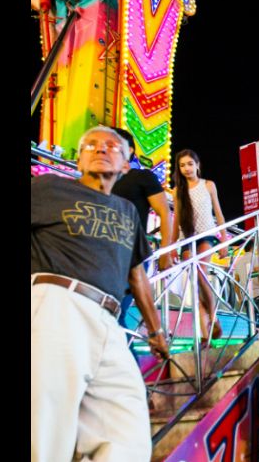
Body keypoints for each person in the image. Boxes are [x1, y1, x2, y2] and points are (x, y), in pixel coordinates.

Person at [32, 126, 170, 462]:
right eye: (90, 145)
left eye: (112, 146)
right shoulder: (48, 188)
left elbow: (137, 276)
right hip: (57, 301)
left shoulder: (127, 211)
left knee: (128, 432)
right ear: (78, 159)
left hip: (109, 319)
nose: (100, 149)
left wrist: (156, 330)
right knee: (47, 429)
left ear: (126, 164)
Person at [111, 127, 176, 338]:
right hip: (101, 252)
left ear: (129, 150)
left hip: (132, 253)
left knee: (115, 312)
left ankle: (129, 366)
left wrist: (166, 251)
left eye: (115, 144)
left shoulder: (142, 177)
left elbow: (165, 213)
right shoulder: (100, 182)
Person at [171, 149, 228, 343]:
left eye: (189, 164)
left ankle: (212, 317)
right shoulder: (178, 190)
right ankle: (206, 331)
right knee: (195, 283)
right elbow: (176, 220)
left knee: (201, 276)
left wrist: (224, 240)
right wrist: (171, 247)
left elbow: (219, 214)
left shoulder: (208, 185)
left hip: (207, 236)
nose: (186, 168)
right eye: (182, 165)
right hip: (187, 239)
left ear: (197, 165)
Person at [233, 239, 259, 307]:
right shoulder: (257, 258)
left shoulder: (238, 263)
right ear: (253, 247)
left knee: (251, 318)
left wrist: (240, 298)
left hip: (245, 297)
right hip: (258, 295)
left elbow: (236, 283)